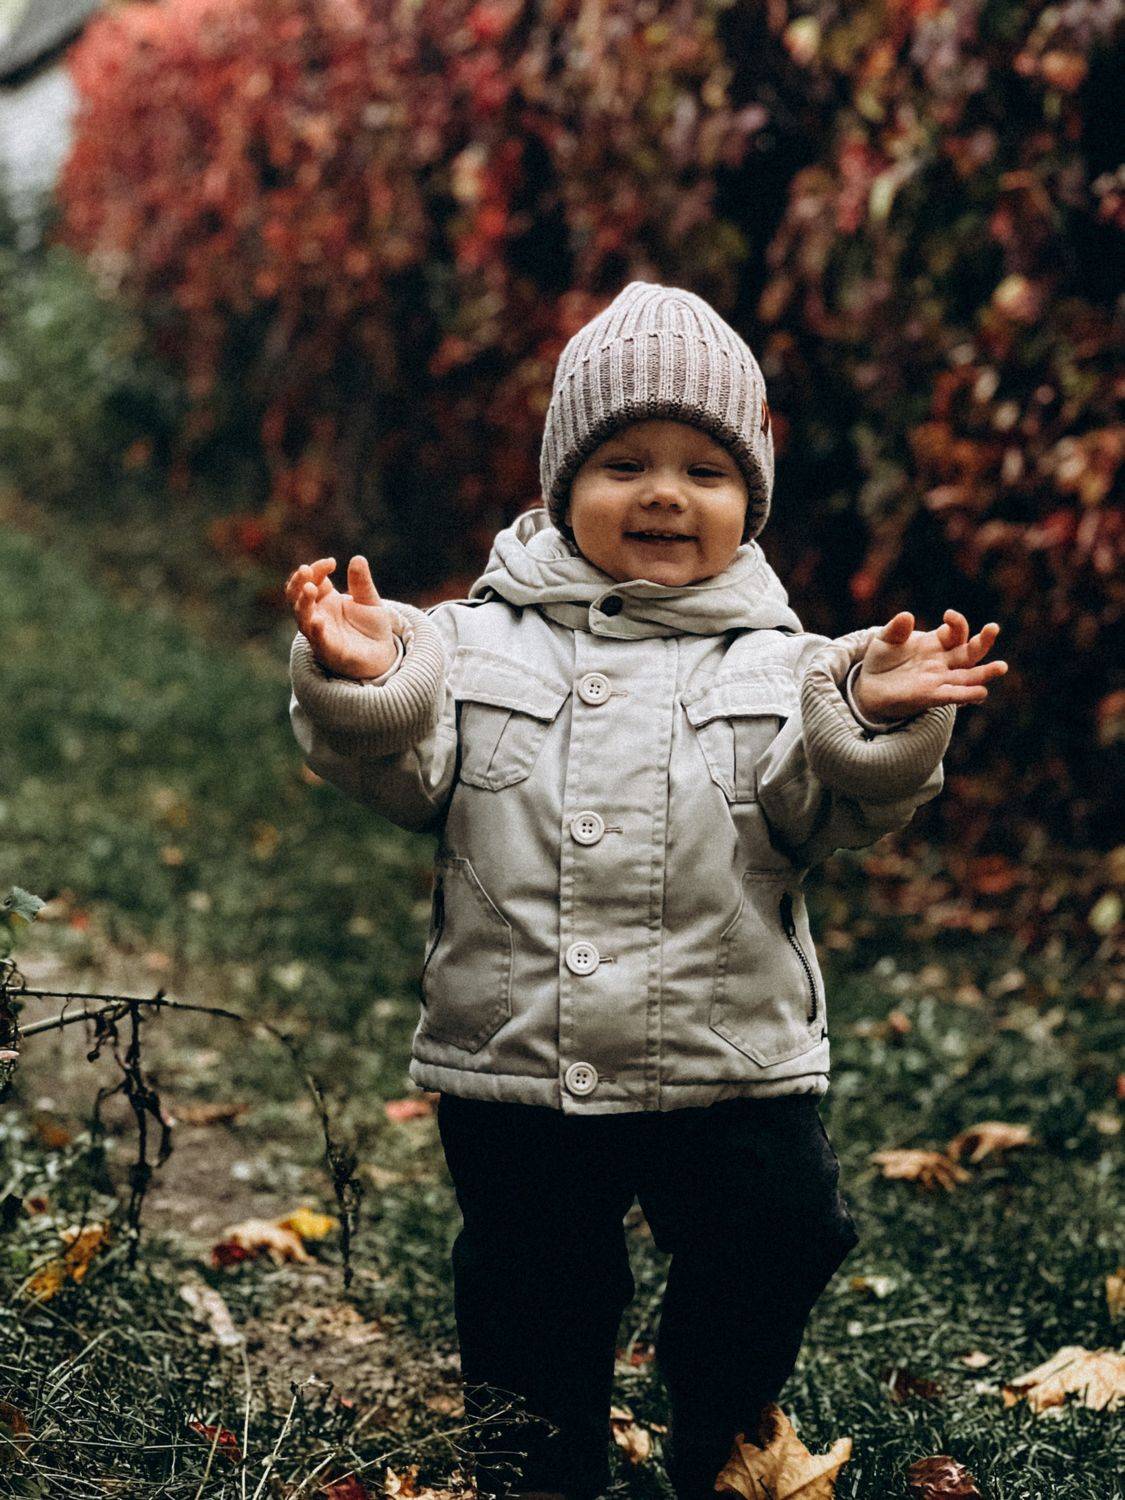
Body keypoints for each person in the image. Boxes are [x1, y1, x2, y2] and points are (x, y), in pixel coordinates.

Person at [285, 281, 1007, 1500]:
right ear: (563, 484)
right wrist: (366, 685)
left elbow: (822, 809)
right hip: (521, 1056)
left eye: (704, 471)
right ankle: (541, 1468)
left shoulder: (788, 666)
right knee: (531, 1298)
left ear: (750, 501)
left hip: (728, 1058)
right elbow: (406, 775)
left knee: (786, 1233)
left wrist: (873, 722)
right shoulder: (470, 642)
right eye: (624, 463)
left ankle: (717, 1421)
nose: (665, 493)